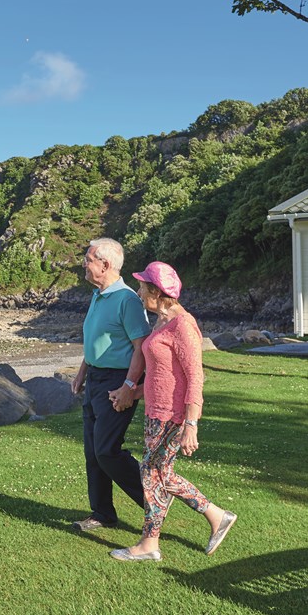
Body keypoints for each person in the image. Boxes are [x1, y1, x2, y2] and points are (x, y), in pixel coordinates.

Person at [109, 260, 236, 562]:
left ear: (156, 292)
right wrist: (132, 392)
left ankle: (150, 542)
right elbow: (162, 374)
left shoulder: (183, 325)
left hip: (173, 415)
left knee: (152, 473)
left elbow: (194, 377)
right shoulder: (162, 321)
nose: (138, 292)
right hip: (156, 411)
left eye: (142, 287)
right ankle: (215, 517)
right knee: (158, 473)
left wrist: (191, 423)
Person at [69, 238, 151, 532]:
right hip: (95, 379)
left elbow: (141, 346)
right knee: (93, 452)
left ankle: (155, 504)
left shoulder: (127, 299)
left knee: (106, 451)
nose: (84, 263)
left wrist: (130, 385)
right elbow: (96, 341)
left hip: (118, 381)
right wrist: (82, 372)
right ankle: (102, 513)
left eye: (88, 258)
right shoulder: (98, 294)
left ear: (105, 265)